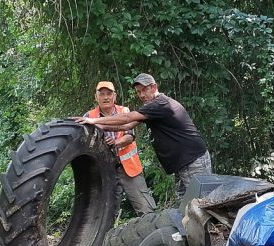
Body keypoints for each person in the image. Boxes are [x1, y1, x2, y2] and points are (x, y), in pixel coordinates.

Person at [75, 73, 211, 199]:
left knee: (200, 202)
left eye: (145, 90)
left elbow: (128, 118)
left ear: (154, 87)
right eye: (138, 92)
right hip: (184, 162)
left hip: (193, 161)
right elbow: (127, 126)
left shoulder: (160, 104)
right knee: (185, 202)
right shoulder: (154, 108)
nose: (141, 95)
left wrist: (94, 121)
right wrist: (97, 125)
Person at [83, 81, 156, 215]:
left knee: (146, 208)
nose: (106, 97)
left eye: (109, 94)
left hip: (128, 168)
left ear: (114, 96)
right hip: (103, 171)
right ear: (96, 97)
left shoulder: (124, 111)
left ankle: (154, 233)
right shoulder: (88, 117)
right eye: (102, 94)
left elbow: (130, 136)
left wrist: (115, 142)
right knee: (103, 214)